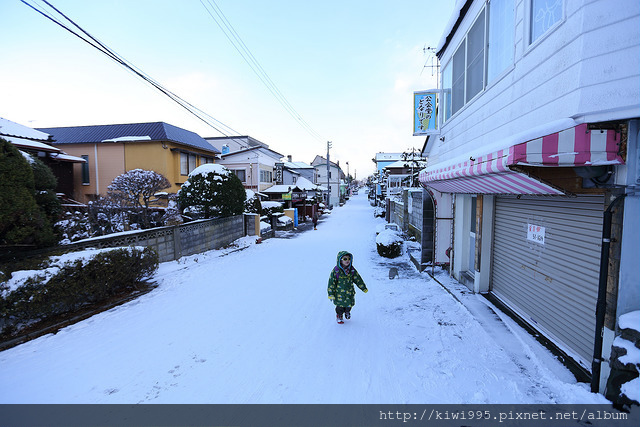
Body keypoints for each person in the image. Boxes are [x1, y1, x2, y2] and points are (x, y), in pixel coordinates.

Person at [327, 251, 368, 324]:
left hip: (349, 293)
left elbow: (358, 279)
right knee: (340, 306)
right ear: (340, 260)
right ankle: (339, 315)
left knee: (349, 305)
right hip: (339, 294)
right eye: (345, 259)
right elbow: (331, 283)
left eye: (349, 259)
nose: (347, 260)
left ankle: (347, 312)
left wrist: (363, 288)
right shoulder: (336, 271)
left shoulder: (352, 270)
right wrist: (331, 294)